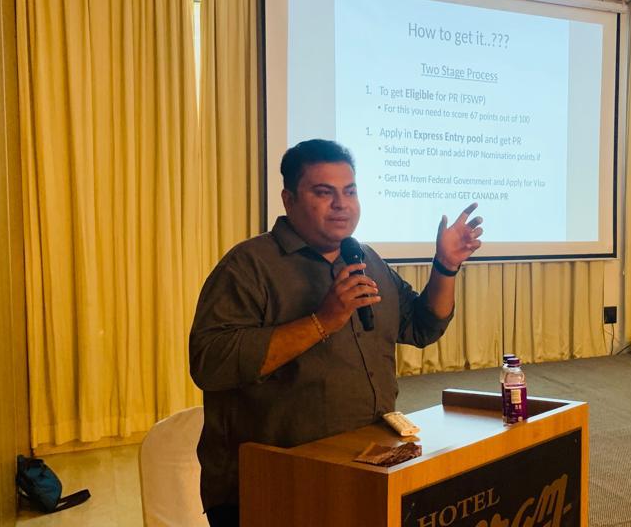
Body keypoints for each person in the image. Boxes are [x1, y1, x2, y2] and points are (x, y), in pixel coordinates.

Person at [189, 139, 483, 526]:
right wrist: (323, 321)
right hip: (276, 482)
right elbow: (211, 363)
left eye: (350, 191)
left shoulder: (365, 258)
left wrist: (445, 266)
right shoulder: (249, 266)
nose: (341, 204)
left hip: (365, 466)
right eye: (324, 192)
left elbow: (421, 326)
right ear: (289, 200)